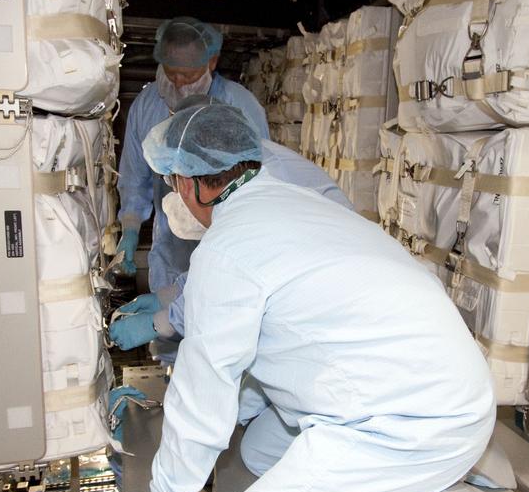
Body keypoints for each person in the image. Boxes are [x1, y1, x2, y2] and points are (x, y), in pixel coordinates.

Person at [96, 104, 529, 492]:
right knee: (261, 452)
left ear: (194, 184)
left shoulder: (227, 250)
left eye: (174, 184)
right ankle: (419, 482)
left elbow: (202, 402)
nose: (176, 197)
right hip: (444, 388)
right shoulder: (292, 201)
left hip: (408, 424)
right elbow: (275, 329)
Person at [108, 95, 352, 351]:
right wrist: (167, 297)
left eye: (174, 179)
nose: (177, 192)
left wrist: (160, 323)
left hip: (329, 303)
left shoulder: (261, 188)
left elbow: (227, 290)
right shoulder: (240, 170)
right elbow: (225, 270)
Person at [115, 18, 268, 296]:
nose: (178, 83)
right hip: (171, 252)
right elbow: (134, 175)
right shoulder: (147, 105)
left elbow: (259, 179)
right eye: (171, 73)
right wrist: (130, 230)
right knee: (168, 318)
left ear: (212, 63)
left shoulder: (240, 105)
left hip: (227, 244)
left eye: (188, 76)